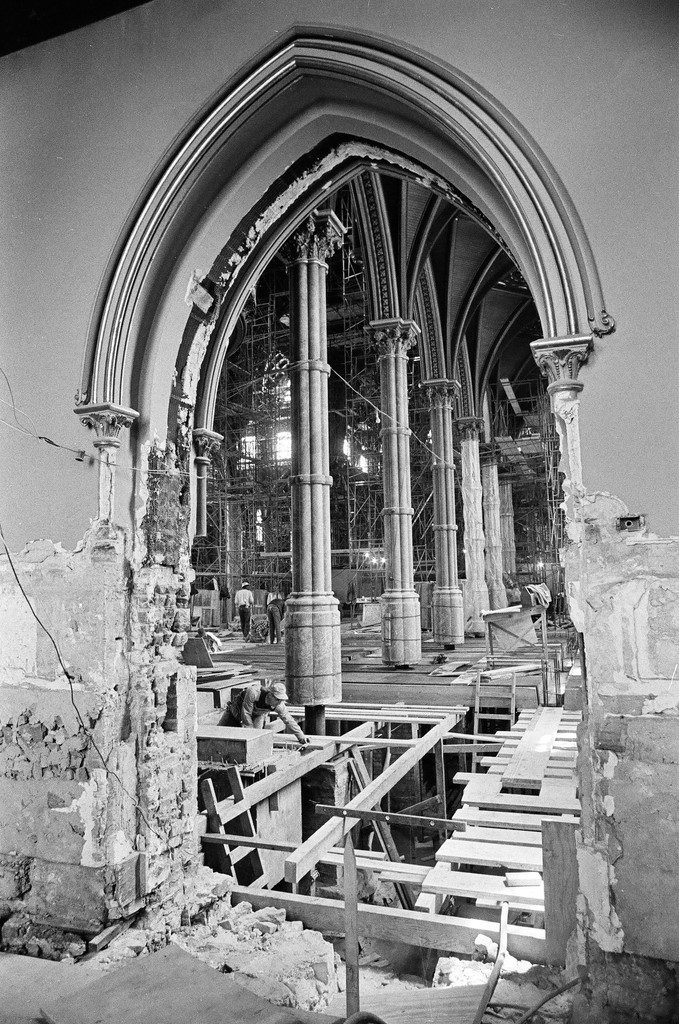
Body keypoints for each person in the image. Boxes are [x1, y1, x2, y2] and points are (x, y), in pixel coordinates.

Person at [219, 679, 309, 745]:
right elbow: (246, 713)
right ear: (270, 695)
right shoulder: (253, 692)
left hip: (257, 716)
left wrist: (301, 736)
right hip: (235, 711)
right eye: (277, 699)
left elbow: (289, 720)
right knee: (218, 734)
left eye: (281, 700)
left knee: (256, 739)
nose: (279, 702)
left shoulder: (279, 705)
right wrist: (250, 731)